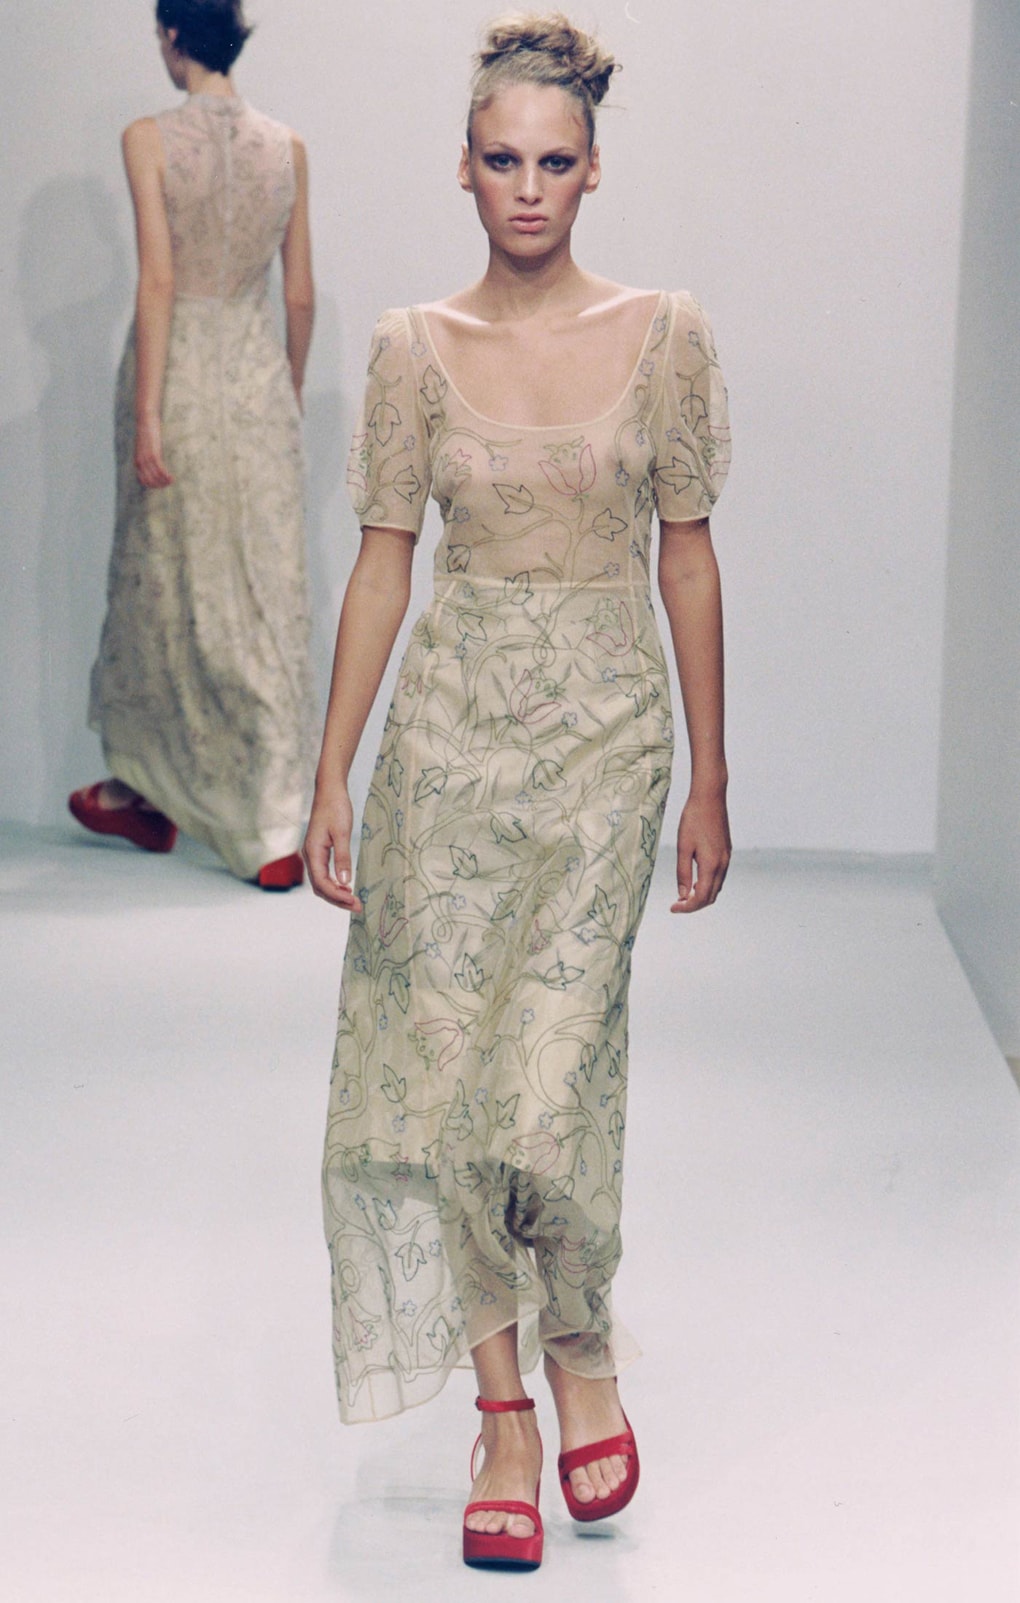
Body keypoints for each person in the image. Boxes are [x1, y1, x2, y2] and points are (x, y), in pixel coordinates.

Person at [305, 11, 732, 1568]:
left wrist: (710, 776)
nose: (530, 188)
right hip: (449, 745)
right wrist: (334, 768)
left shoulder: (666, 333)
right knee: (443, 1083)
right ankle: (503, 1411)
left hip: (607, 741)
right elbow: (381, 564)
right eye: (504, 161)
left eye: (556, 162)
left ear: (594, 168)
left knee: (549, 1074)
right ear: (465, 170)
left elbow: (688, 554)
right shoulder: (412, 348)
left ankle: (581, 1339)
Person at [70, 0, 316, 889]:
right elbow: (299, 294)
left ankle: (169, 793)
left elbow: (160, 281)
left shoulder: (149, 139)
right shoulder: (288, 148)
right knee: (260, 590)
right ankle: (264, 815)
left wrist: (147, 413)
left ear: (173, 38)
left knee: (170, 584)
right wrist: (286, 388)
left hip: (175, 379)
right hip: (254, 378)